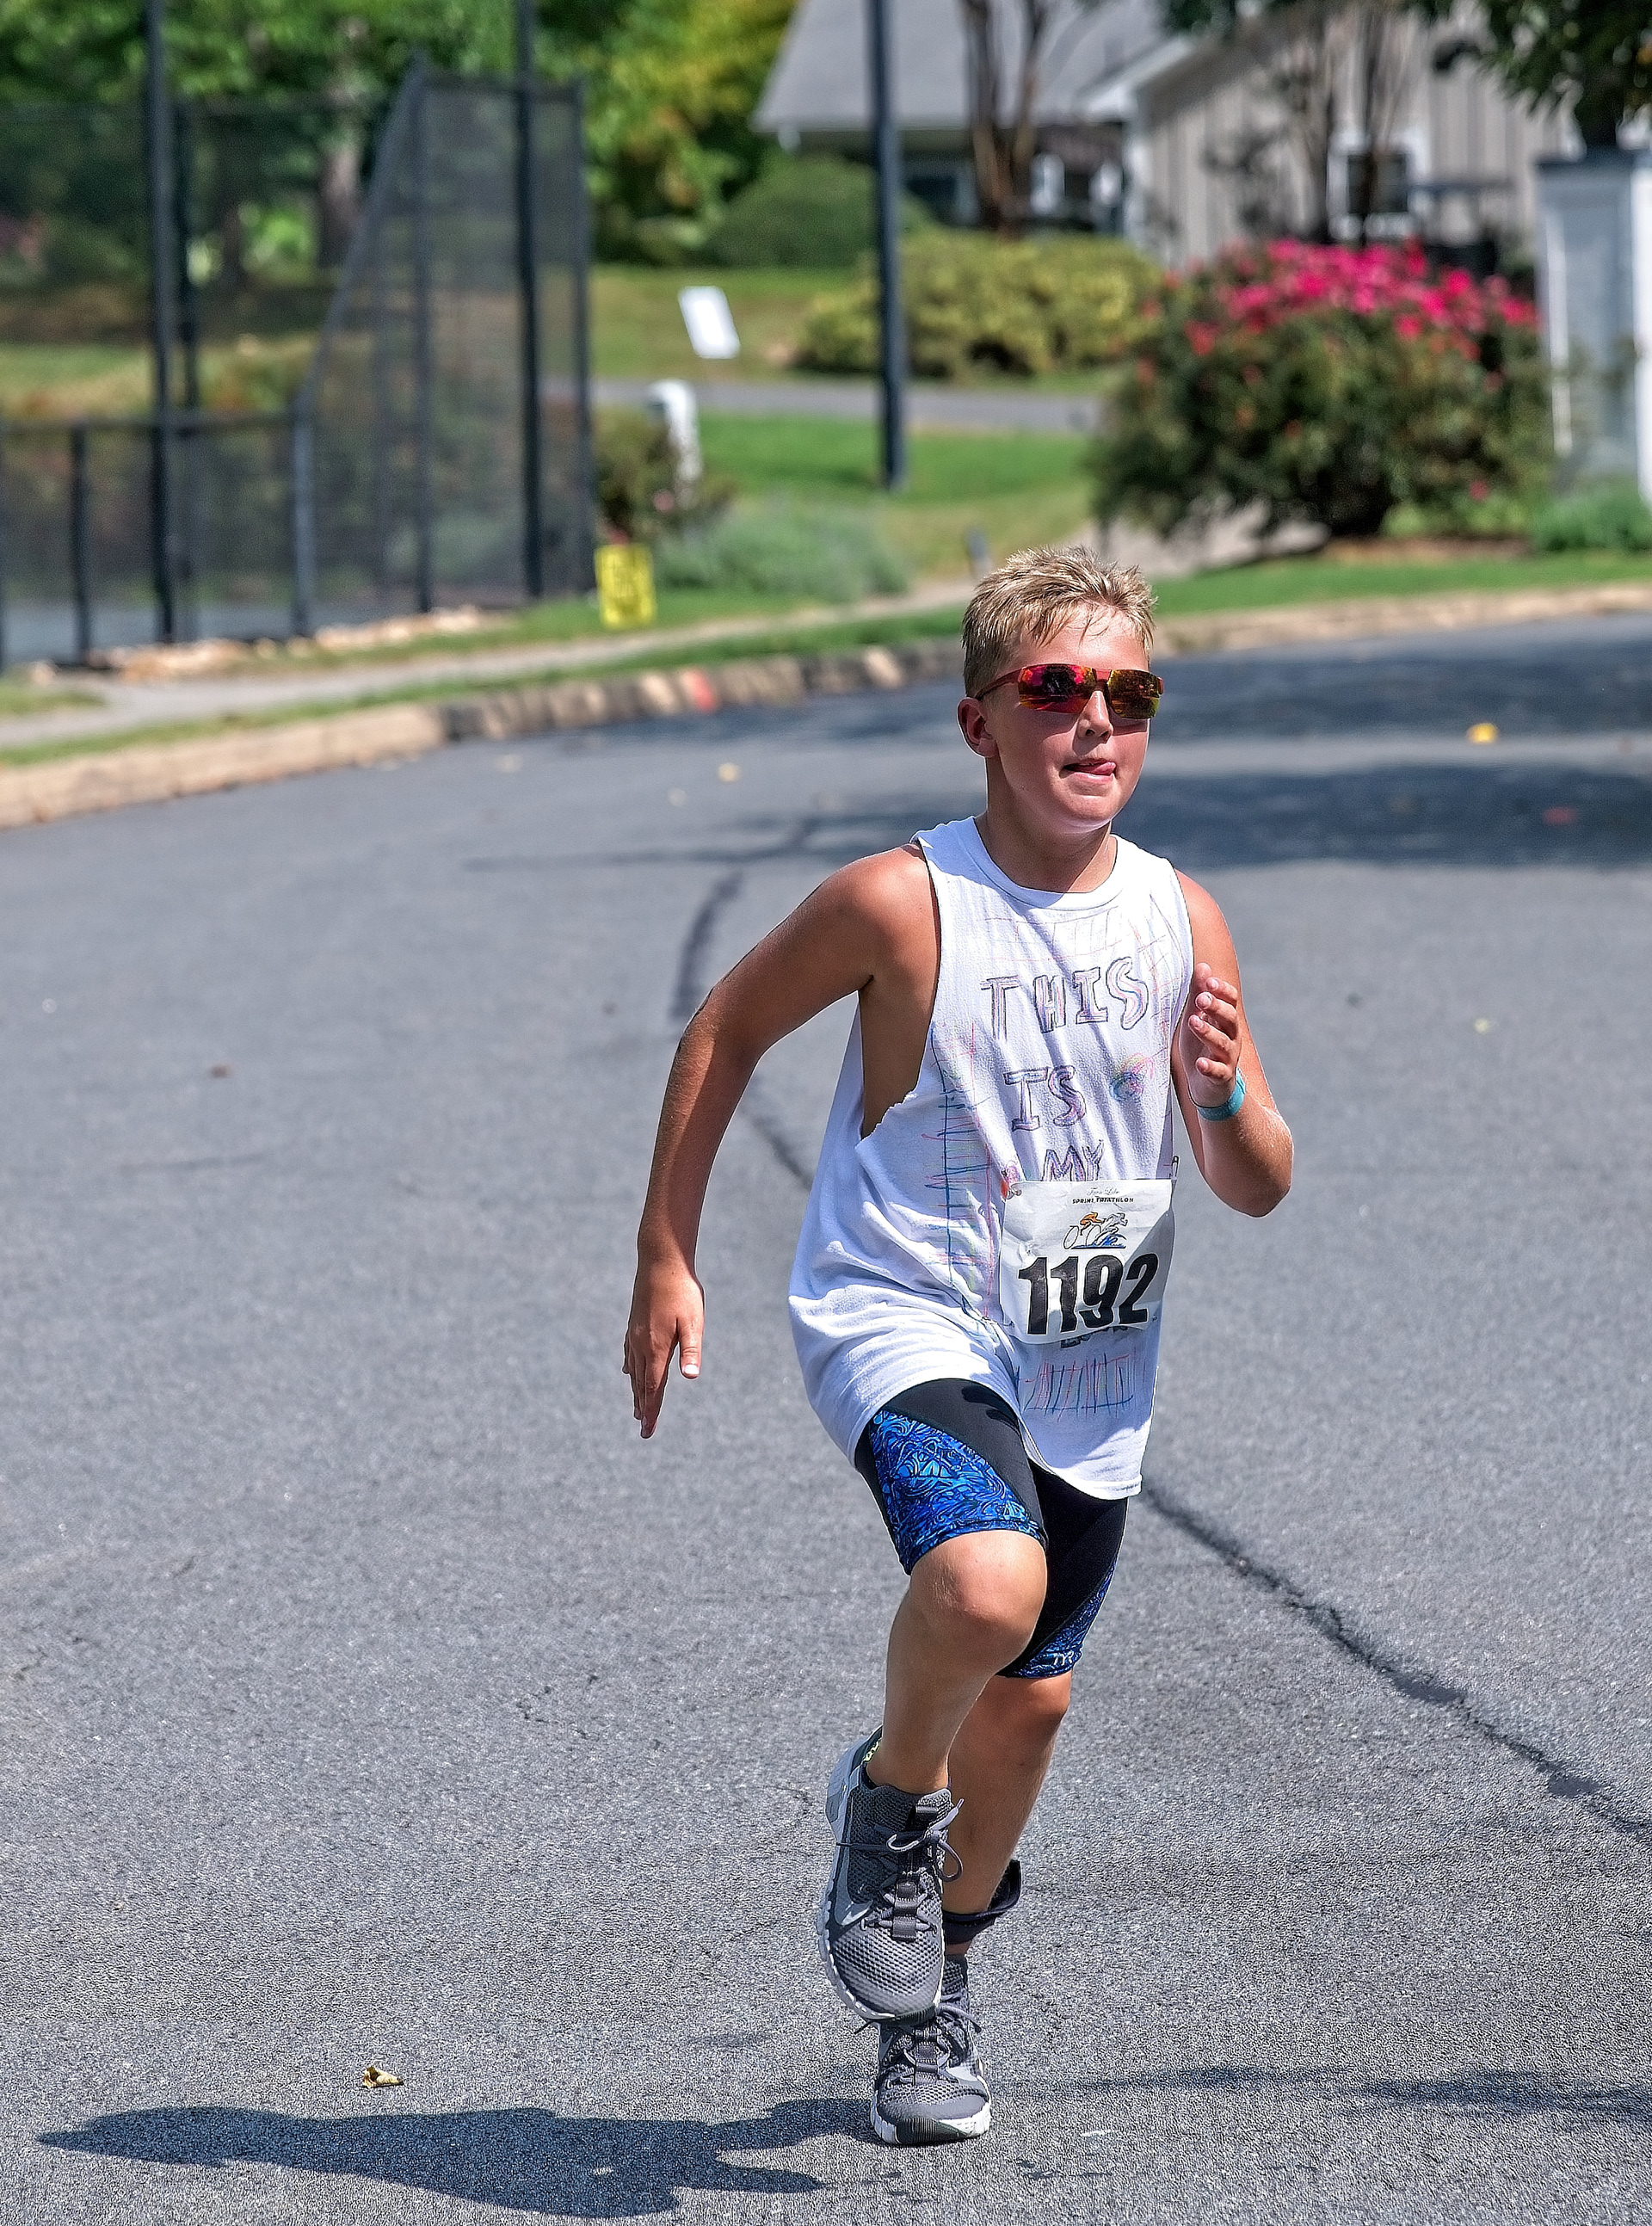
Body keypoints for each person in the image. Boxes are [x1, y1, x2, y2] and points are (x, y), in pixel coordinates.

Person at [624, 544, 1292, 2146]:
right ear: (980, 720)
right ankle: (888, 1806)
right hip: (904, 1308)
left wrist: (1217, 1098)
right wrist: (665, 1253)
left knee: (1032, 1706)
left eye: (1129, 692)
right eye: (1055, 690)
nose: (1095, 722)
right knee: (986, 1587)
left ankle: (936, 1994)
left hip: (1088, 1356)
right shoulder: (900, 903)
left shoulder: (1181, 916)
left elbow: (1259, 1179)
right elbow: (726, 1028)